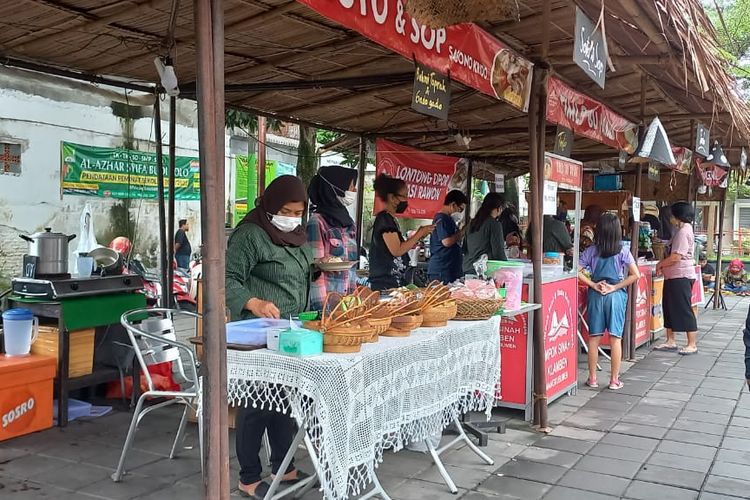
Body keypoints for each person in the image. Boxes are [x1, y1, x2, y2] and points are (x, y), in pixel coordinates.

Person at [225, 175, 312, 497]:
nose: (291, 217)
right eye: (286, 210)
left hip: (290, 330)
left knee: (284, 400)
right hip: (257, 331)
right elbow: (227, 278)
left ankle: (283, 465)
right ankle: (248, 476)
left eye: (297, 211)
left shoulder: (298, 235)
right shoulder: (250, 236)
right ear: (272, 205)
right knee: (257, 403)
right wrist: (254, 301)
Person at [578, 213, 640, 390]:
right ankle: (614, 380)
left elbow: (576, 270)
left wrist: (593, 284)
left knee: (594, 338)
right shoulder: (623, 251)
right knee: (615, 338)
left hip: (596, 295)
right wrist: (615, 287)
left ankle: (592, 379)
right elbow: (636, 275)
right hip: (616, 295)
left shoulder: (591, 251)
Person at [369, 174, 434, 291]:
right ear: (392, 198)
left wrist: (418, 236)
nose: (406, 200)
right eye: (404, 196)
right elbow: (397, 250)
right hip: (386, 284)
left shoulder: (391, 220)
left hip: (395, 282)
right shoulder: (384, 220)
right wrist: (419, 233)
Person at [306, 166, 359, 310]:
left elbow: (351, 267)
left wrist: (354, 300)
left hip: (347, 302)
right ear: (337, 188)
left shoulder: (349, 223)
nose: (354, 191)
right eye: (351, 186)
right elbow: (315, 269)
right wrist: (322, 309)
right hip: (327, 304)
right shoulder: (317, 222)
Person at [654, 202, 698, 355]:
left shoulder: (683, 232)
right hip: (673, 275)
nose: (670, 218)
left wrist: (660, 264)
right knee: (669, 307)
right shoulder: (681, 230)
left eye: (672, 215)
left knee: (684, 309)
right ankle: (670, 340)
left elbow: (675, 257)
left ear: (678, 216)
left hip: (681, 275)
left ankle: (692, 343)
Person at [428, 190, 469, 284]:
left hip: (450, 268)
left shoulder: (448, 219)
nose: (460, 212)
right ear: (453, 205)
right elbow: (446, 241)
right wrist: (462, 232)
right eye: (460, 209)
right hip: (442, 270)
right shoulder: (442, 219)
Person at [463, 192, 507, 275]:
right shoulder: (494, 224)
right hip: (483, 271)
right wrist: (507, 268)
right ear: (499, 208)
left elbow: (465, 248)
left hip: (467, 268)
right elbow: (498, 252)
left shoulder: (472, 223)